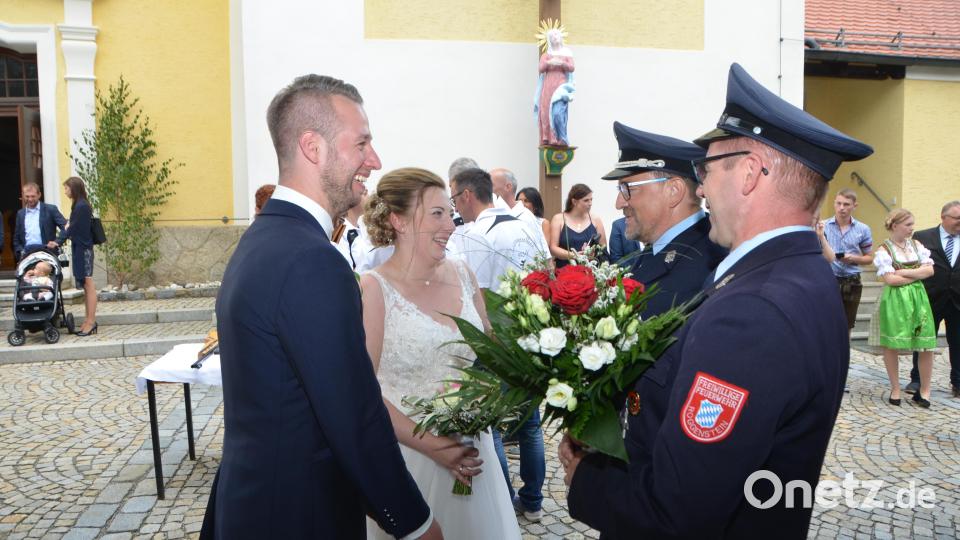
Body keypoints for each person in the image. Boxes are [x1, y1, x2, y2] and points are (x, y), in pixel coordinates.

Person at [561, 63, 873, 538]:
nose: (700, 187)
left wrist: (586, 479)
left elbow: (680, 508)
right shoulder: (799, 273)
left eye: (707, 170)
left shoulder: (753, 311)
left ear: (748, 173)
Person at [200, 75, 441, 540]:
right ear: (314, 147)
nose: (375, 160)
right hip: (299, 515)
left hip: (254, 504)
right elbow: (352, 414)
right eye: (362, 143)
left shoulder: (263, 240)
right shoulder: (311, 259)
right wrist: (415, 523)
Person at [359, 167, 521, 539]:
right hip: (410, 460)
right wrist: (434, 447)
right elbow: (364, 394)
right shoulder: (374, 289)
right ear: (398, 220)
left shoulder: (463, 273)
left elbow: (492, 355)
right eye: (437, 214)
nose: (451, 223)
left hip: (472, 454)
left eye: (450, 212)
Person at [449, 167, 547, 523]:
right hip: (535, 334)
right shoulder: (529, 223)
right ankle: (534, 502)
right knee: (531, 423)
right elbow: (548, 271)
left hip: (499, 341)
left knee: (493, 425)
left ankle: (505, 504)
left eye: (454, 199)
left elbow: (473, 294)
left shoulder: (477, 234)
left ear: (466, 196)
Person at [602, 122, 726, 314]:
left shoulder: (712, 263)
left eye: (628, 189)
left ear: (674, 191)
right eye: (620, 190)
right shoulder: (656, 250)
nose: (619, 203)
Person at [868, 208, 936, 408]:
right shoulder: (884, 250)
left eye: (912, 224)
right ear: (895, 225)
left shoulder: (917, 245)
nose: (911, 228)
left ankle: (925, 391)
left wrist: (904, 271)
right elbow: (890, 279)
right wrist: (916, 272)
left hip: (919, 299)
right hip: (895, 299)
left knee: (926, 345)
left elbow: (930, 270)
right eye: (908, 225)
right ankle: (896, 388)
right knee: (892, 345)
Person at [907, 200, 960, 398]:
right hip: (930, 297)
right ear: (943, 217)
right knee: (923, 340)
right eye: (957, 218)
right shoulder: (922, 236)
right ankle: (917, 379)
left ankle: (958, 382)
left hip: (958, 300)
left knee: (958, 342)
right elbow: (913, 264)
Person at [50, 177, 97, 336]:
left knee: (88, 285)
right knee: (85, 285)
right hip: (80, 249)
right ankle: (87, 320)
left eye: (66, 188)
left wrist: (57, 242)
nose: (65, 191)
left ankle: (91, 322)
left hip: (83, 250)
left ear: (74, 188)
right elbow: (71, 227)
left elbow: (71, 229)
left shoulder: (81, 206)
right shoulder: (78, 205)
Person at [823, 189, 874, 332]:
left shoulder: (863, 229)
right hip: (829, 277)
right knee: (826, 321)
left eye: (846, 204)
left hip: (852, 280)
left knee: (847, 325)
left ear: (854, 206)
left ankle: (844, 353)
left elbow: (869, 258)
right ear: (834, 204)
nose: (841, 208)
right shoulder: (823, 226)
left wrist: (853, 258)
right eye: (838, 203)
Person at [489, 168, 549, 258]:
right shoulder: (490, 213)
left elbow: (541, 249)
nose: (488, 189)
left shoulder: (527, 216)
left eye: (491, 185)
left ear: (508, 187)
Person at [549, 184, 606, 268]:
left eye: (591, 200)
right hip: (565, 271)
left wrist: (594, 252)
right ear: (574, 202)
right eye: (586, 200)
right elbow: (553, 248)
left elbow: (603, 247)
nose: (590, 203)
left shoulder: (596, 219)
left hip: (590, 271)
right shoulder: (558, 219)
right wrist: (574, 255)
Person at [534, 29, 574, 146]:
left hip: (561, 86)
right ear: (549, 40)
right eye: (551, 36)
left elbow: (571, 67)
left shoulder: (567, 53)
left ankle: (560, 137)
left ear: (561, 37)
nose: (554, 37)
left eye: (556, 34)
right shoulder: (546, 55)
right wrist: (550, 62)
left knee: (557, 112)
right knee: (546, 111)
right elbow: (541, 68)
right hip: (548, 86)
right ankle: (549, 138)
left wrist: (561, 63)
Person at [14, 182, 67, 262]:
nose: (30, 199)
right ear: (23, 195)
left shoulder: (50, 210)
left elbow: (66, 227)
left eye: (33, 196)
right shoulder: (20, 214)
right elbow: (17, 237)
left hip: (47, 253)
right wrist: (19, 250)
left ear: (39, 195)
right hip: (27, 255)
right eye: (27, 196)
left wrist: (57, 242)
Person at [335, 180, 369, 270]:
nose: (369, 198)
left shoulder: (362, 228)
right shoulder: (339, 229)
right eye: (365, 193)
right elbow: (340, 265)